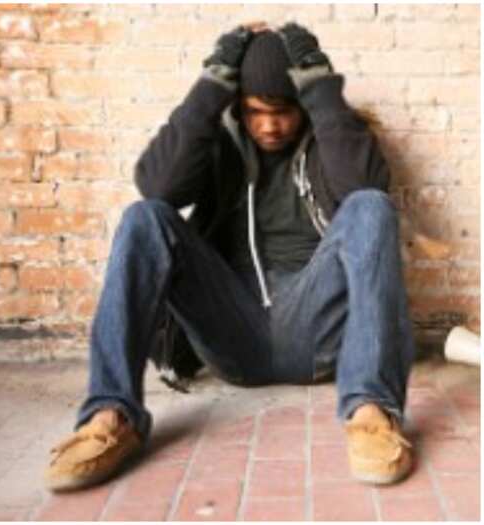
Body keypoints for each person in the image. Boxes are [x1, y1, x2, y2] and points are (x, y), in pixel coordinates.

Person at [43, 23, 417, 492]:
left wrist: (320, 87)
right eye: (255, 112)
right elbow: (158, 186)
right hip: (231, 331)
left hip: (314, 329)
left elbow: (366, 186)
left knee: (370, 207)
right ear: (239, 107)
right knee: (145, 216)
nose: (269, 126)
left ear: (302, 104)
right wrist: (213, 83)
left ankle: (371, 415)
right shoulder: (216, 141)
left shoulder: (332, 139)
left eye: (283, 112)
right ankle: (109, 417)